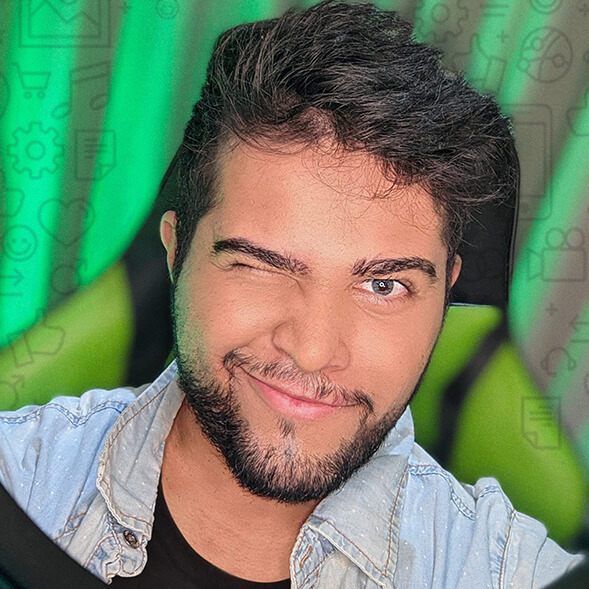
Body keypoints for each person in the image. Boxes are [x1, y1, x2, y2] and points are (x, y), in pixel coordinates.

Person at [0, 1, 584, 586]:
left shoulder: (509, 570)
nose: (312, 351)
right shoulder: (20, 474)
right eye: (261, 266)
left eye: (383, 285)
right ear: (176, 253)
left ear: (444, 297)